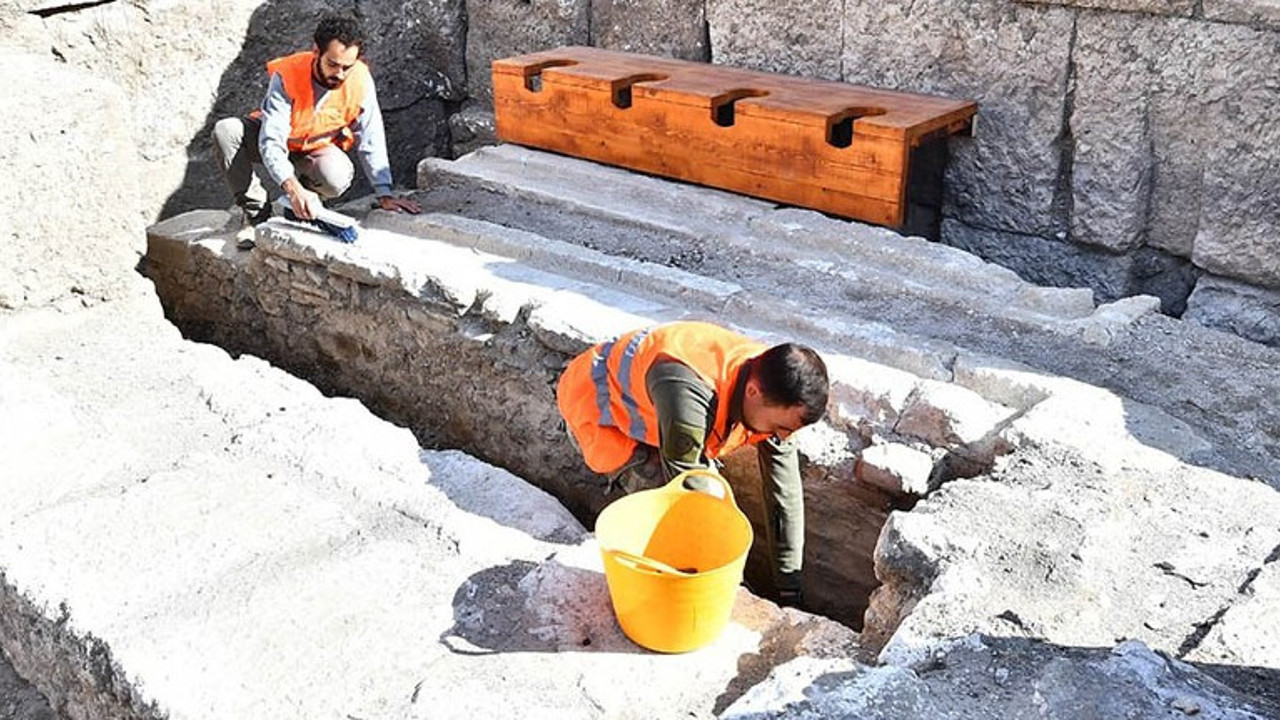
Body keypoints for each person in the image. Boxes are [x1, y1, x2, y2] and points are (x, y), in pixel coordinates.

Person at [556, 321, 829, 606]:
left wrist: (790, 589)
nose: (782, 437)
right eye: (778, 427)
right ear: (753, 392)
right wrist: (732, 588)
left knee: (709, 491)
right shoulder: (687, 388)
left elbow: (784, 495)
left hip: (661, 411)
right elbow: (692, 498)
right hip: (601, 412)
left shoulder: (777, 385)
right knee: (675, 509)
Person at [211, 12, 420, 249]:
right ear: (316, 52)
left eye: (346, 67)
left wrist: (385, 194)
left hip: (316, 148)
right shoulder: (288, 74)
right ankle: (257, 216)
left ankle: (304, 204)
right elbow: (271, 140)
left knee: (336, 175)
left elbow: (371, 135)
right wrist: (292, 187)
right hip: (274, 140)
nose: (339, 74)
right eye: (332, 64)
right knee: (225, 131)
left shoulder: (360, 79)